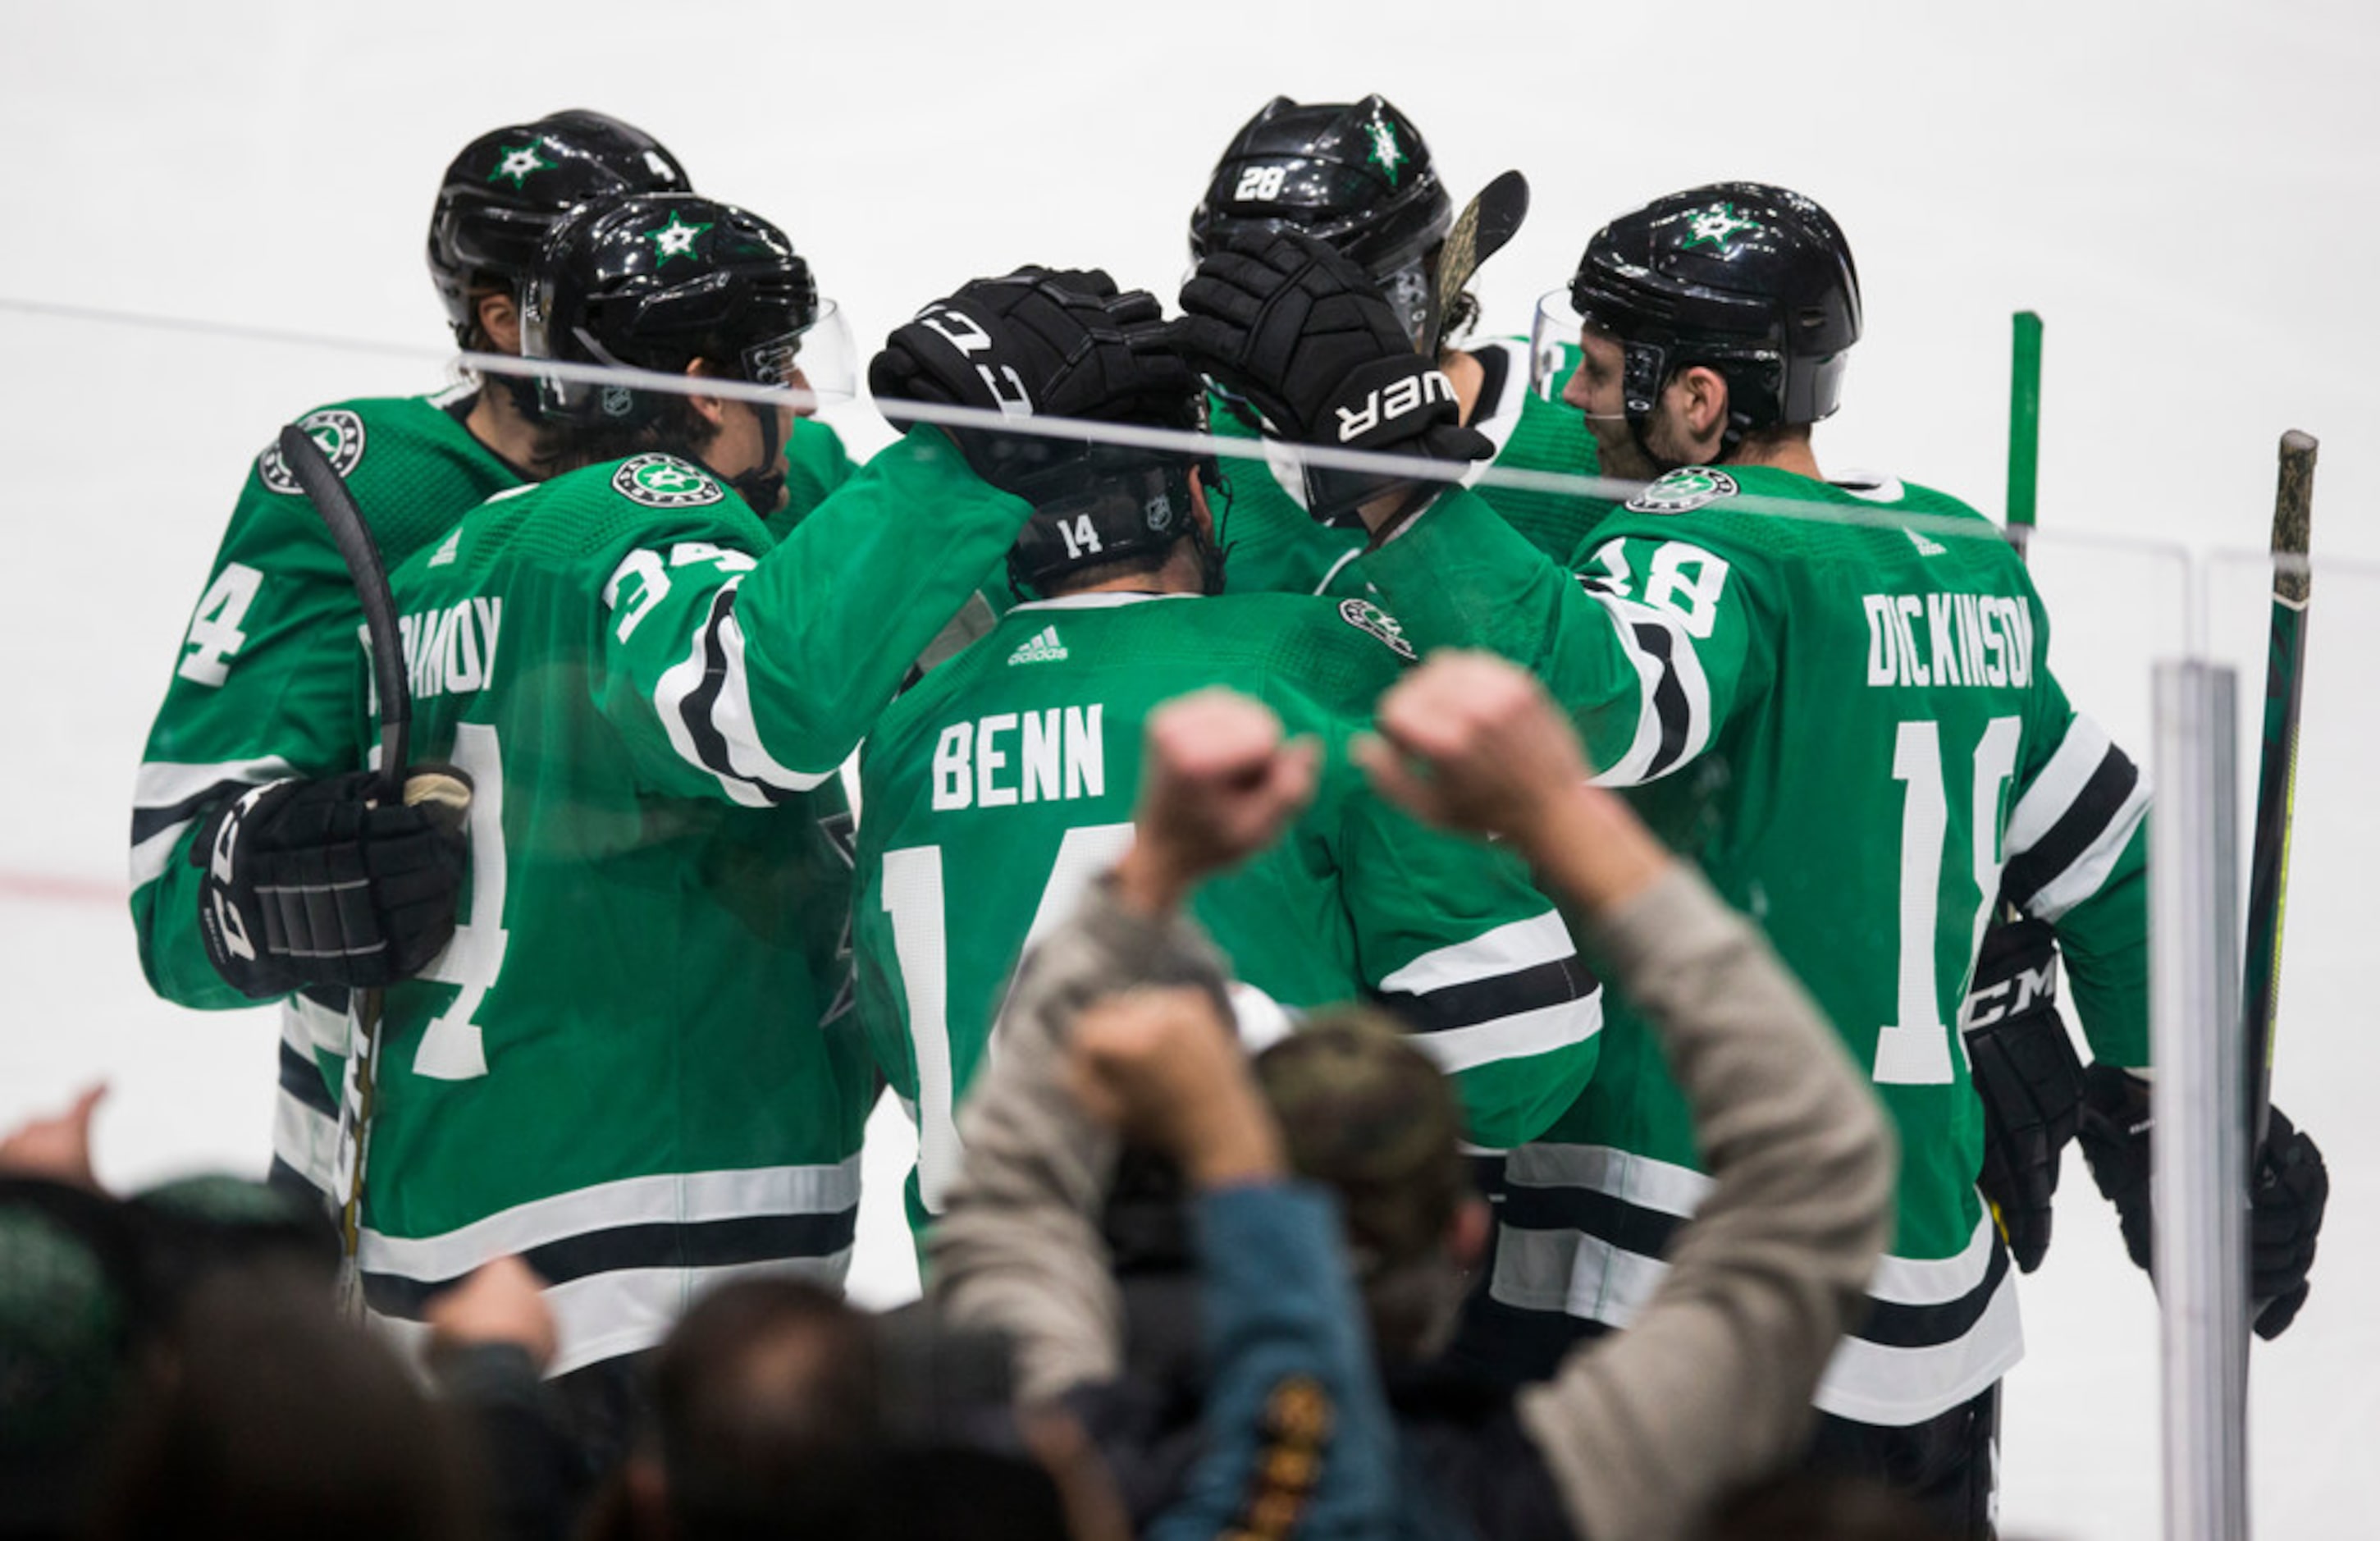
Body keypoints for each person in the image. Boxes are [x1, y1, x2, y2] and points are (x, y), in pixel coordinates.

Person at [1173, 185, 2330, 1536]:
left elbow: (1604, 701)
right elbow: (2117, 859)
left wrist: (1397, 487)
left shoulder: (1704, 543)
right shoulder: (1958, 558)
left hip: (1688, 1288)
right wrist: (2164, 1112)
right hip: (1933, 1312)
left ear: (1702, 402)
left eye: (1602, 376)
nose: (1578, 406)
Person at [340, 196, 1190, 1433]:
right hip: (631, 1243)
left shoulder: (445, 567)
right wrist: (966, 454)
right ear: (698, 391)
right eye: (776, 365)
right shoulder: (628, 514)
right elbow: (752, 706)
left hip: (459, 1226)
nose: (800, 395)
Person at [932, 656, 1897, 1541]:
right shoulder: (1557, 1493)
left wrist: (1149, 877)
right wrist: (1561, 811)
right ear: (1464, 1239)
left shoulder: (1066, 1468)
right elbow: (1817, 1180)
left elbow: (1011, 1204)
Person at [849, 359, 1602, 1238]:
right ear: (1201, 500)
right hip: (1268, 1295)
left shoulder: (906, 729)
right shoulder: (1309, 664)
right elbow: (1517, 1043)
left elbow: (904, 1043)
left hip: (989, 1309)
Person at [128, 112, 701, 1212]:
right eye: (609, 285)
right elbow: (174, 902)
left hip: (705, 1157)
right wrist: (297, 871)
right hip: (416, 1184)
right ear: (500, 318)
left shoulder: (763, 450)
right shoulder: (367, 483)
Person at [1184, 94, 1609, 598]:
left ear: (1425, 279)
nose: (1262, 340)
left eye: (1305, 309)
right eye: (1241, 299)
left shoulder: (1592, 424)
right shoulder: (1194, 453)